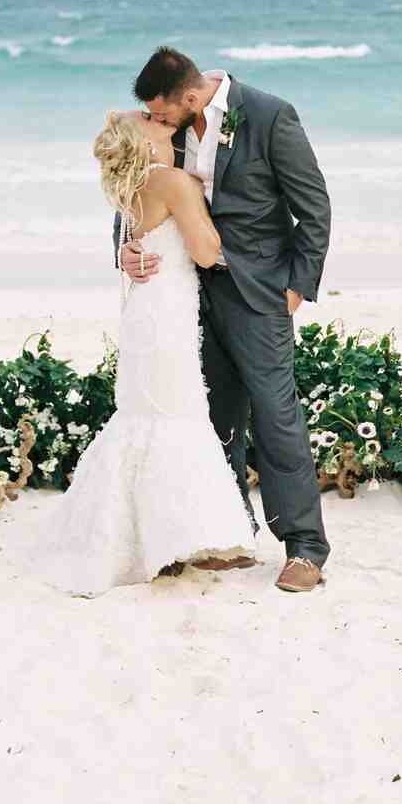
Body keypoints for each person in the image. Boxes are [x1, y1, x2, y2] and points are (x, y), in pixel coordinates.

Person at [118, 47, 331, 593]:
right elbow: (134, 191)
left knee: (276, 413)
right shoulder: (171, 130)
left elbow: (313, 205)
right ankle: (231, 534)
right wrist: (125, 248)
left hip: (259, 293)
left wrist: (296, 287)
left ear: (189, 97)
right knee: (213, 415)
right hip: (186, 294)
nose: (156, 123)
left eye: (162, 113)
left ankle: (305, 548)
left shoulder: (268, 115)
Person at [43, 110, 255, 598]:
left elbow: (134, 237)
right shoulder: (176, 182)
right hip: (170, 315)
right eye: (149, 117)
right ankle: (168, 542)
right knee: (176, 418)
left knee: (147, 417)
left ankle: (153, 537)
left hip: (144, 312)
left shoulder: (129, 187)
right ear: (144, 139)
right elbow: (204, 252)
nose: (157, 117)